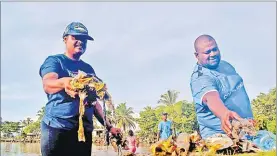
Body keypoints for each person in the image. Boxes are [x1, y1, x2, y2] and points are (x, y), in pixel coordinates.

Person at [39, 22, 120, 156]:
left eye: (84, 40)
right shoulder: (55, 61)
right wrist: (66, 83)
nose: (80, 42)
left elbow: (94, 104)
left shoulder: (88, 69)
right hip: (57, 128)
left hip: (83, 132)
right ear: (65, 39)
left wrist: (109, 127)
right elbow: (48, 84)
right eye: (75, 38)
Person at [189, 34, 254, 139]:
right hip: (222, 138)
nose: (213, 54)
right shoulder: (200, 77)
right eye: (207, 52)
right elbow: (210, 97)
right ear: (197, 56)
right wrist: (224, 113)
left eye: (215, 49)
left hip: (246, 131)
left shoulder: (225, 65)